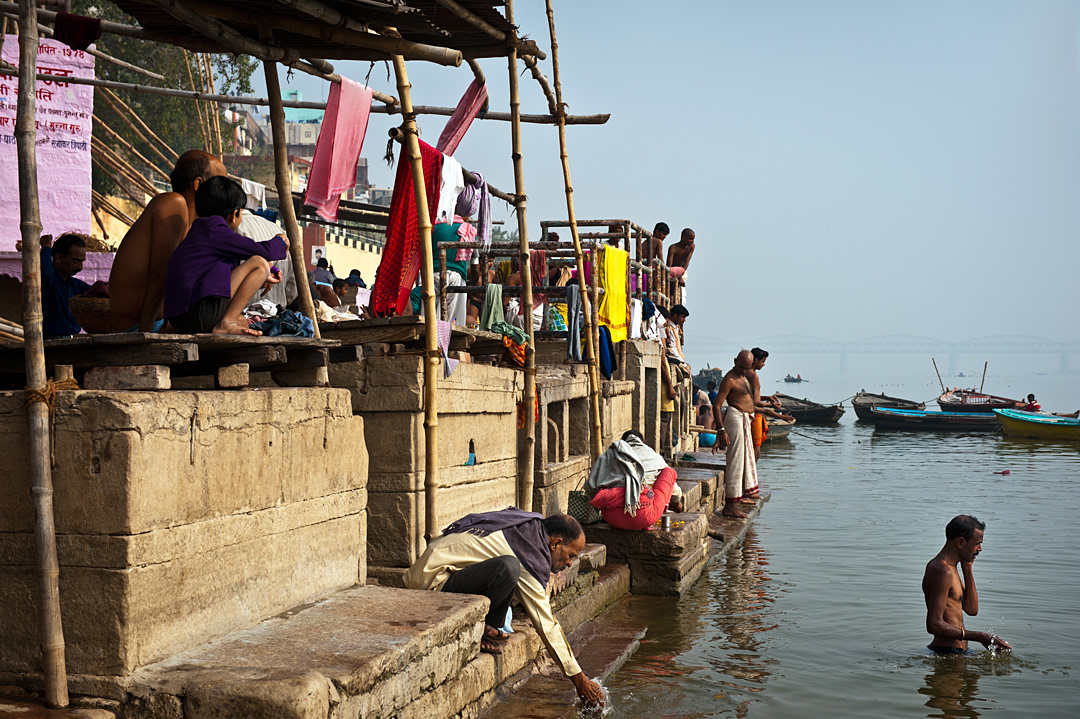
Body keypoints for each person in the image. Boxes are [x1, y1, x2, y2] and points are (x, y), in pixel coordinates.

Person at [404, 510, 606, 710]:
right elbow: (546, 624)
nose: (570, 563)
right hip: (432, 584)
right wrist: (579, 680)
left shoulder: (529, 525)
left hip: (430, 570)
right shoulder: (528, 553)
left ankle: (487, 626)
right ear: (556, 544)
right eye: (570, 555)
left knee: (509, 569)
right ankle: (485, 627)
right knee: (509, 568)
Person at [109, 150, 226, 331]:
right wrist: (144, 337)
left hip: (160, 324)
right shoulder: (174, 203)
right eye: (221, 184)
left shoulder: (194, 223)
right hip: (142, 327)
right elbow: (159, 274)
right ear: (198, 184)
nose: (225, 192)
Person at [163, 176, 287, 336]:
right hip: (197, 315)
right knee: (259, 263)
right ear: (233, 214)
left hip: (180, 319)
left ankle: (228, 321)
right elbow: (263, 252)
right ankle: (225, 323)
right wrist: (281, 241)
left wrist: (262, 277)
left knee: (242, 320)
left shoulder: (199, 231)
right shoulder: (215, 229)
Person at [922, 515, 1011, 655]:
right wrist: (980, 637)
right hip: (945, 652)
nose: (980, 549)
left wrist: (967, 568)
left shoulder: (952, 568)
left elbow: (971, 609)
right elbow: (934, 624)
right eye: (977, 543)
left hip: (957, 652)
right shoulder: (942, 571)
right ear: (961, 542)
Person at [587, 430, 684, 529]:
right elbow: (671, 486)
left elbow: (590, 486)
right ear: (642, 442)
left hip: (611, 517)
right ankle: (674, 503)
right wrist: (676, 502)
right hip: (646, 516)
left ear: (623, 442)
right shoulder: (652, 454)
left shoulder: (609, 454)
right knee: (668, 472)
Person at [710, 350, 760, 518]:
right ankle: (730, 506)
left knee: (744, 459)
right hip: (735, 418)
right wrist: (721, 430)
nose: (743, 371)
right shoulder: (730, 379)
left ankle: (740, 497)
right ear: (734, 361)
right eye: (741, 367)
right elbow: (716, 406)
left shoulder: (743, 377)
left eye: (746, 368)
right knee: (736, 461)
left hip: (743, 419)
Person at [35, 233, 90, 338]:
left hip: (71, 341)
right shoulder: (47, 282)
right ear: (59, 258)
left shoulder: (77, 286)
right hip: (48, 343)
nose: (80, 267)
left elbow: (99, 291)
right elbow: (44, 272)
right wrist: (46, 248)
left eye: (81, 262)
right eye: (76, 261)